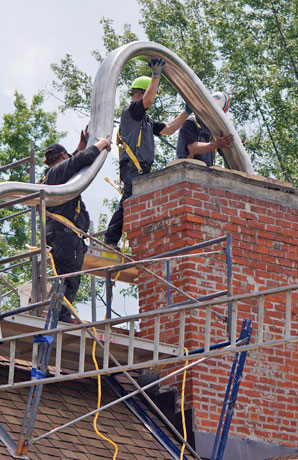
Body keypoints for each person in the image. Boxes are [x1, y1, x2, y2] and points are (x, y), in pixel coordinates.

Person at [104, 58, 190, 249]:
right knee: (128, 201)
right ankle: (110, 240)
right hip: (133, 166)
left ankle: (136, 241)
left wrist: (186, 113)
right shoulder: (132, 112)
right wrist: (156, 74)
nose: (150, 103)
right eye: (146, 96)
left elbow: (168, 129)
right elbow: (149, 99)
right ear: (139, 94)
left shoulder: (146, 120)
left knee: (137, 202)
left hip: (142, 168)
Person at [43, 128, 112, 322]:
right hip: (65, 238)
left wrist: (81, 145)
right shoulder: (57, 172)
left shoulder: (51, 176)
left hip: (58, 236)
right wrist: (101, 144)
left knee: (63, 280)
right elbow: (78, 161)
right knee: (68, 282)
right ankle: (61, 321)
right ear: (63, 156)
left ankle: (58, 317)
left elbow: (71, 161)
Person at [176, 91, 234, 166]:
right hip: (186, 170)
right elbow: (193, 148)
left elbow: (226, 149)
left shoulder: (214, 131)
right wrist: (215, 145)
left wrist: (235, 145)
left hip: (205, 173)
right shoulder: (191, 122)